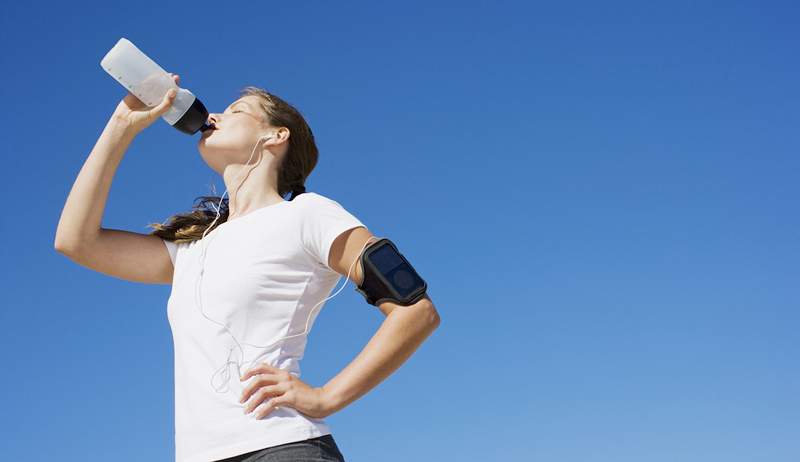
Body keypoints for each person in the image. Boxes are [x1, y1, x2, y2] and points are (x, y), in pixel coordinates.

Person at [54, 73, 441, 462]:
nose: (215, 116)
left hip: (278, 447)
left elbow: (415, 309)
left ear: (275, 136)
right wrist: (121, 124)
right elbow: (75, 241)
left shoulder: (308, 214)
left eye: (236, 111)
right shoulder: (190, 251)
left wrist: (326, 397)